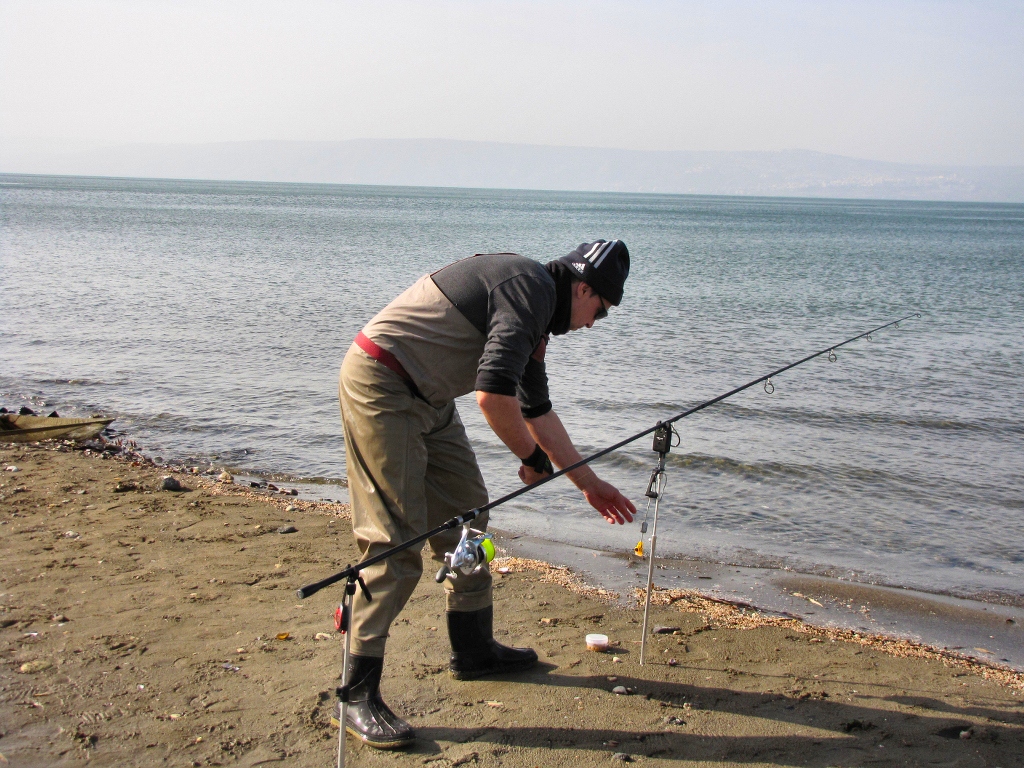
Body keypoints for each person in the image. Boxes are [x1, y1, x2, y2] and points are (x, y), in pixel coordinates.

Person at [334, 240, 637, 748]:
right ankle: (356, 692)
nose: (592, 324)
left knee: (469, 522)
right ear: (584, 288)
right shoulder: (531, 289)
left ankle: (473, 651)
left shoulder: (536, 308)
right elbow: (492, 396)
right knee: (396, 544)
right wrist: (531, 460)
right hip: (381, 384)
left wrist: (589, 484)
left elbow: (535, 409)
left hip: (428, 398)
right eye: (600, 311)